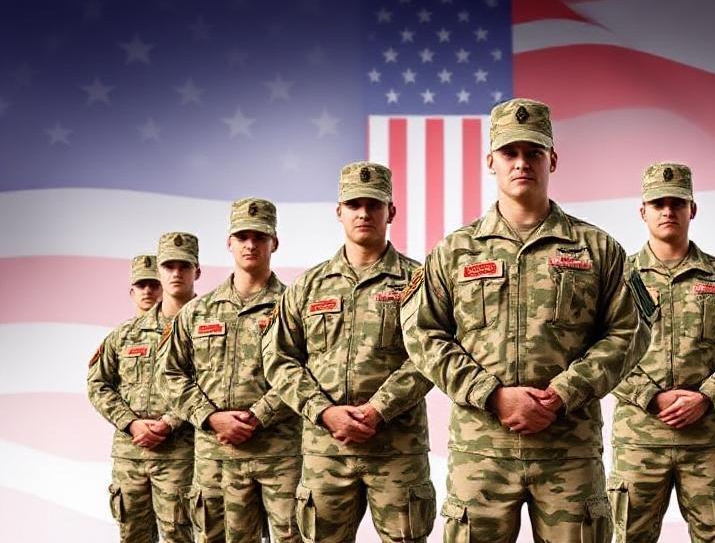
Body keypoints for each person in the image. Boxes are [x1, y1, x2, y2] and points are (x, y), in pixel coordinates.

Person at [400, 97, 643, 543]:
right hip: (481, 455)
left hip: (569, 453)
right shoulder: (454, 251)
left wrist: (564, 393)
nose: (521, 163)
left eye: (533, 152)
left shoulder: (598, 248)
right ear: (490, 161)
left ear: (552, 159)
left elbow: (630, 331)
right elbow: (423, 333)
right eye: (510, 153)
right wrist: (491, 395)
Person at [262, 162, 435, 543]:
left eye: (374, 204)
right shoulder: (307, 286)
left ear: (391, 211)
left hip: (397, 451)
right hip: (326, 451)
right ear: (338, 212)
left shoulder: (419, 281)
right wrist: (324, 412)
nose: (364, 213)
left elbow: (430, 355)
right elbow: (279, 359)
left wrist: (379, 409)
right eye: (354, 204)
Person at [608, 162, 715, 543]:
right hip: (640, 441)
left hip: (708, 441)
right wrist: (650, 395)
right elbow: (597, 347)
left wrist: (707, 396)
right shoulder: (618, 276)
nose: (668, 211)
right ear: (642, 211)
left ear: (692, 210)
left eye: (677, 203)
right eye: (658, 203)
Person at [160, 199, 300, 543]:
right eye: (242, 237)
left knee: (292, 537)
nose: (250, 244)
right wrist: (210, 417)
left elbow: (308, 369)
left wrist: (258, 415)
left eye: (259, 236)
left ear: (274, 243)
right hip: (216, 457)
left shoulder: (294, 305)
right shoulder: (197, 312)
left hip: (279, 454)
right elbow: (171, 375)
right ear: (229, 242)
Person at [87, 240, 200, 543]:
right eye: (142, 284)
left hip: (180, 453)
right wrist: (130, 422)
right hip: (130, 456)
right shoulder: (123, 335)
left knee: (182, 533)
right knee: (133, 535)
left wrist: (169, 422)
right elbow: (98, 383)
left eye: (153, 284)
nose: (149, 291)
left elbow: (212, 383)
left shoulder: (200, 326)